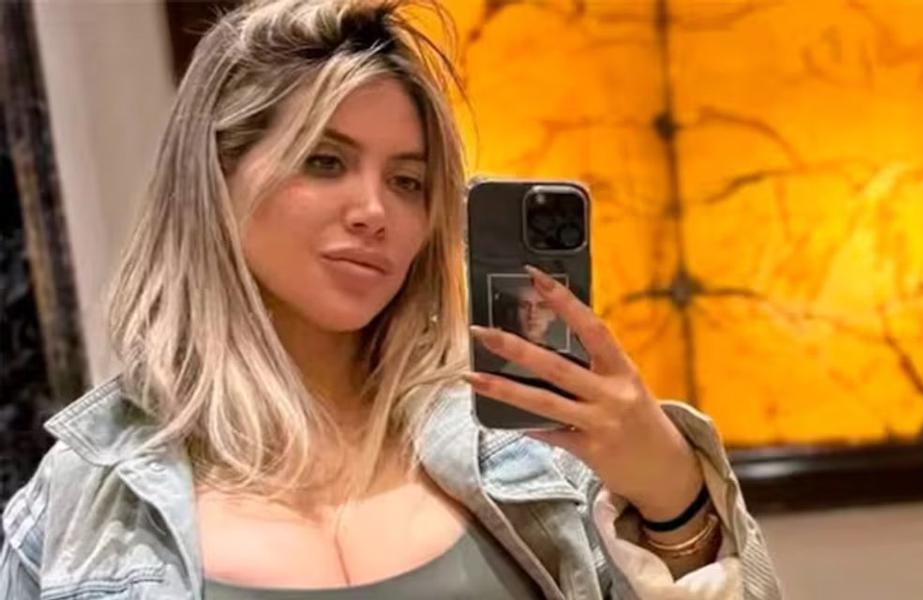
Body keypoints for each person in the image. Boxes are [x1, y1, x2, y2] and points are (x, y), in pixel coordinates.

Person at [0, 1, 781, 598]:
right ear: (215, 179)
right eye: (325, 161)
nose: (375, 211)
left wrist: (674, 497)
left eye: (408, 181)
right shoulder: (83, 503)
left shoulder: (529, 457)